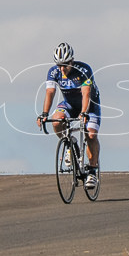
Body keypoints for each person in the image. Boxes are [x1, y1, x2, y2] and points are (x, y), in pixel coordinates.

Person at [37, 42, 102, 189]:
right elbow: (50, 93)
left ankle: (92, 171)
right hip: (69, 104)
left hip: (90, 105)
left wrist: (84, 113)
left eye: (65, 65)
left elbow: (86, 94)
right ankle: (70, 142)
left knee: (91, 135)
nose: (62, 68)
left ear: (72, 61)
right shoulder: (54, 72)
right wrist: (44, 114)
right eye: (59, 65)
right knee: (56, 121)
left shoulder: (84, 69)